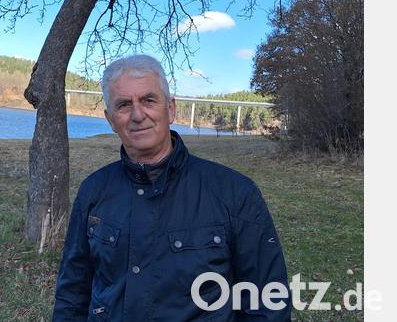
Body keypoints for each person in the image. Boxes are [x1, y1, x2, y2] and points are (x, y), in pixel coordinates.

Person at [52, 54, 291, 321]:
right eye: (123, 105)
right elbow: (72, 294)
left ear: (171, 108)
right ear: (110, 119)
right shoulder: (93, 192)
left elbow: (268, 302)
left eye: (148, 100)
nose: (138, 115)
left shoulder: (235, 194)